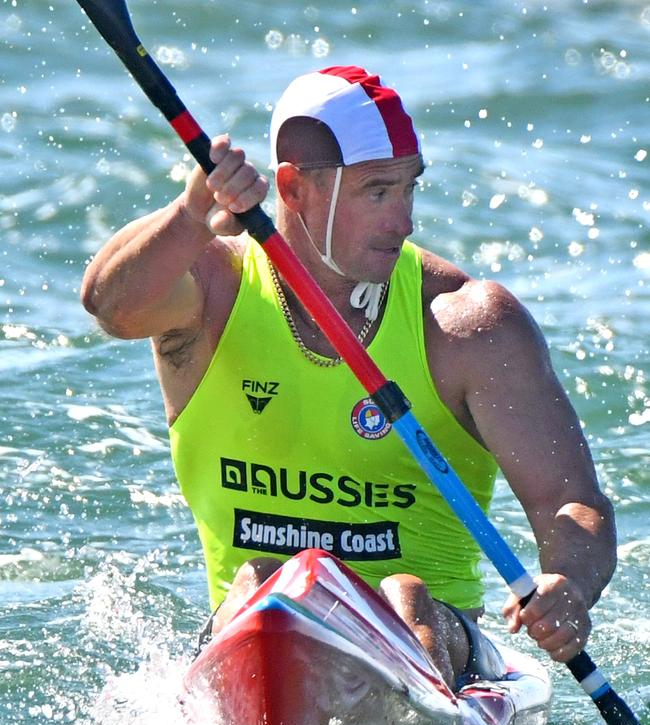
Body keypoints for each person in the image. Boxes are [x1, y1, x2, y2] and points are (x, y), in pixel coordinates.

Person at [80, 66, 616, 689]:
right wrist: (193, 211)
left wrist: (568, 585)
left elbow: (571, 502)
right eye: (378, 193)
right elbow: (109, 305)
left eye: (410, 189)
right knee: (264, 585)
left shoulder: (467, 326)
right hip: (253, 639)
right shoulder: (212, 294)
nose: (405, 221)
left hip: (440, 645)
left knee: (403, 598)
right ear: (294, 187)